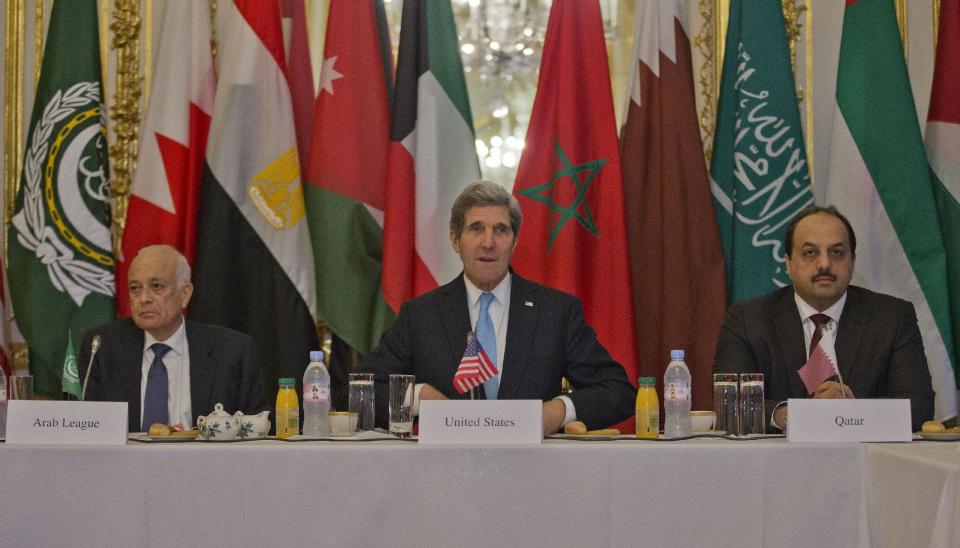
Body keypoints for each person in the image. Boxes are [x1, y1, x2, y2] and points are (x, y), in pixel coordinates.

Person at [362, 181, 635, 434]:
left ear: (515, 241)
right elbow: (358, 393)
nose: (488, 242)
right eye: (476, 228)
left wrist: (559, 410)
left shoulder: (556, 312)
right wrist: (418, 397)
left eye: (501, 230)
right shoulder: (421, 315)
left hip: (534, 473)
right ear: (455, 240)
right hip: (446, 474)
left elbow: (618, 391)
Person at [713, 205, 934, 432]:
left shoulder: (892, 317)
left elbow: (919, 406)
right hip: (775, 463)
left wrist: (853, 414)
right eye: (810, 252)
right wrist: (798, 416)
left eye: (836, 252)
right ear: (788, 264)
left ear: (853, 261)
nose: (824, 264)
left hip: (864, 461)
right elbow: (729, 405)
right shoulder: (747, 319)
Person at [79, 245, 264, 433]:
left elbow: (256, 433)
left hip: (206, 461)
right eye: (135, 288)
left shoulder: (233, 352)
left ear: (185, 294)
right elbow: (83, 426)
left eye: (156, 286)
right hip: (124, 462)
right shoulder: (101, 347)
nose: (143, 298)